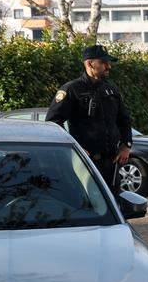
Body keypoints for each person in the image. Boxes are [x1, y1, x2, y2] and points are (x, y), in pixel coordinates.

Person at [45, 44, 133, 185]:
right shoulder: (72, 89)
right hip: (85, 161)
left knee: (113, 197)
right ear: (90, 64)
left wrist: (127, 145)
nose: (108, 66)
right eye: (103, 62)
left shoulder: (111, 90)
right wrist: (75, 147)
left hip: (111, 162)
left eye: (108, 63)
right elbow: (53, 122)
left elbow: (124, 119)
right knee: (88, 197)